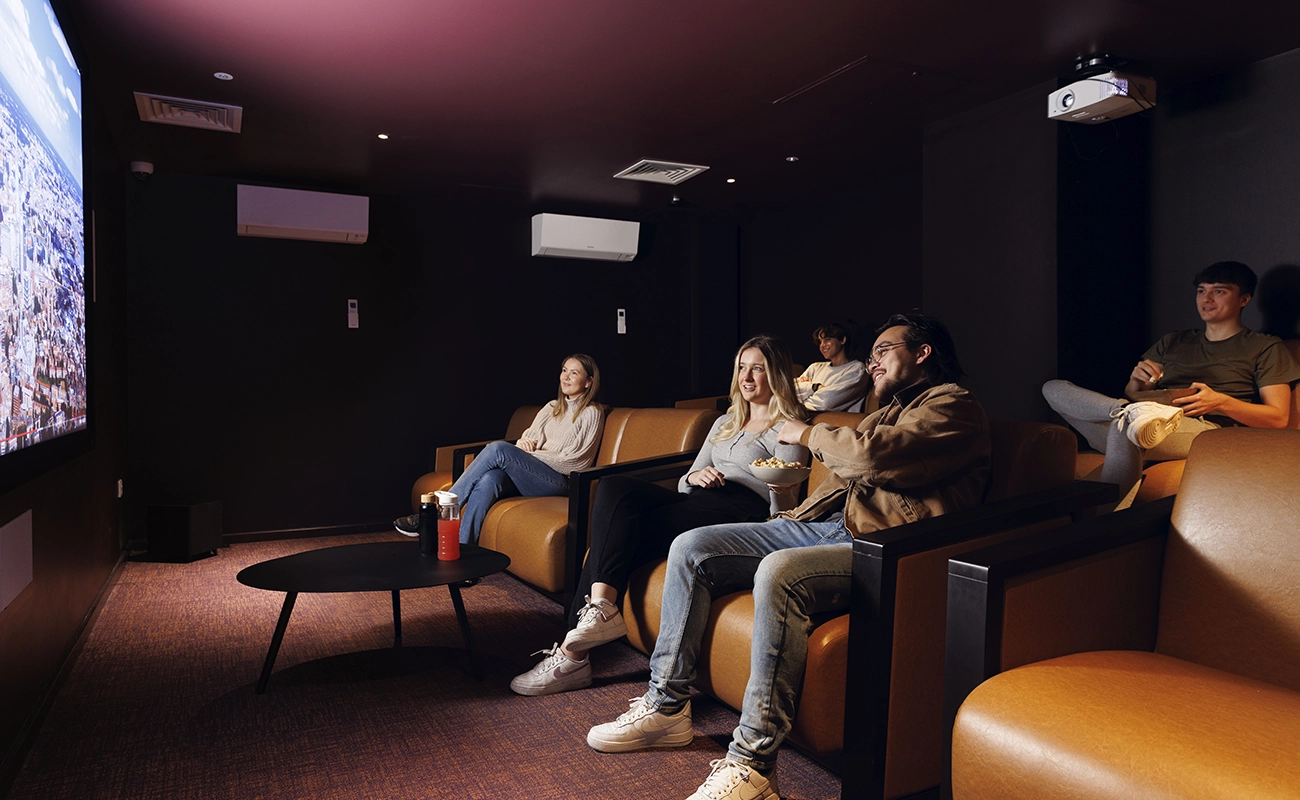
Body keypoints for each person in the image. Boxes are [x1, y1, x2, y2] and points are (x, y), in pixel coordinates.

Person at [585, 313, 991, 800]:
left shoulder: (954, 406)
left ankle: (753, 765)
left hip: (889, 545)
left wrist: (804, 432)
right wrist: (787, 520)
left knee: (779, 571)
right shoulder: (883, 414)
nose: (873, 363)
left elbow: (869, 459)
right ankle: (666, 706)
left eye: (883, 351)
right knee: (692, 545)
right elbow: (840, 487)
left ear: (923, 353)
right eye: (873, 355)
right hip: (829, 528)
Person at [510, 335, 811, 696]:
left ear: (775, 374)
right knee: (614, 488)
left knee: (619, 535)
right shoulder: (726, 423)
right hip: (699, 500)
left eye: (757, 369)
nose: (747, 377)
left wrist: (780, 491)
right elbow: (686, 482)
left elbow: (783, 512)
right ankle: (602, 608)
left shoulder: (789, 428)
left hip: (741, 511)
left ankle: (571, 658)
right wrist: (695, 476)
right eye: (742, 368)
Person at [1043, 261, 1299, 505]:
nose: (1206, 299)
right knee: (1053, 388)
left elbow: (1278, 418)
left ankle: (1102, 526)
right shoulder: (1174, 341)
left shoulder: (1265, 346)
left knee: (1129, 428)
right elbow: (1133, 393)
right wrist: (1136, 384)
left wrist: (1221, 401)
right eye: (1201, 291)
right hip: (1150, 420)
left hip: (1206, 429)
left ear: (1244, 299)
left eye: (1218, 291)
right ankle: (1125, 414)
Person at [394, 354, 605, 544]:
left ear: (588, 382)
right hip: (534, 477)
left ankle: (439, 510)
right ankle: (464, 554)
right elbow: (529, 437)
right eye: (564, 370)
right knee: (490, 479)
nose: (566, 377)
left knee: (498, 449)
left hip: (561, 483)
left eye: (574, 373)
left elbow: (576, 461)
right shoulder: (552, 407)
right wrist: (524, 446)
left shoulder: (592, 413)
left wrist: (528, 454)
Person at [793, 322, 870, 412]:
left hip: (834, 423)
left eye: (827, 340)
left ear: (842, 340)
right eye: (820, 342)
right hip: (803, 417)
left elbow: (826, 402)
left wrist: (802, 397)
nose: (822, 345)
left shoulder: (857, 369)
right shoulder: (815, 367)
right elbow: (789, 392)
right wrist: (815, 387)